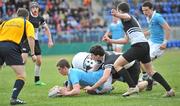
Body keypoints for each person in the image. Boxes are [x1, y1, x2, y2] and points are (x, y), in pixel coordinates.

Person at [104, 2, 174, 97]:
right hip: (145, 45)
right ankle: (169, 90)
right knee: (150, 72)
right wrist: (110, 40)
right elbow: (125, 40)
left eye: (118, 12)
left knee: (117, 64)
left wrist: (116, 14)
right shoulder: (129, 22)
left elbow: (126, 15)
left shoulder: (127, 17)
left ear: (119, 10)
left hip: (138, 46)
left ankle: (132, 87)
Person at [84, 45, 153, 96]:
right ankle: (108, 88)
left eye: (92, 55)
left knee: (135, 88)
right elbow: (93, 69)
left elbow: (104, 78)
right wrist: (83, 75)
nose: (90, 57)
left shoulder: (108, 61)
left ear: (98, 56)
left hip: (132, 68)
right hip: (121, 68)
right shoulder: (103, 55)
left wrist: (91, 88)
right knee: (109, 76)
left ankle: (148, 82)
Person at [0, 8, 36, 105]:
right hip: (11, 47)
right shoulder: (27, 23)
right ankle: (14, 98)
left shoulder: (6, 22)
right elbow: (31, 38)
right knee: (21, 75)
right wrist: (32, 54)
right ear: (27, 17)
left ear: (17, 15)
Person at [21, 2, 54, 86]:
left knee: (39, 61)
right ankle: (20, 79)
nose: (34, 9)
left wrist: (50, 40)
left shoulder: (40, 18)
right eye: (33, 7)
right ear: (30, 9)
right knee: (23, 60)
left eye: (36, 7)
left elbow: (46, 28)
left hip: (35, 41)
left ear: (38, 8)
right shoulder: (27, 17)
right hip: (26, 40)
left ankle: (37, 81)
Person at [48, 58, 113, 97]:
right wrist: (58, 90)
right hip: (101, 76)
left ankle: (108, 88)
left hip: (105, 75)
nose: (59, 71)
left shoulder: (73, 74)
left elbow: (76, 91)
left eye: (59, 69)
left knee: (95, 91)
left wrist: (66, 94)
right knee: (91, 90)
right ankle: (107, 88)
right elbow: (69, 89)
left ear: (65, 68)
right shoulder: (70, 73)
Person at [140, 1, 171, 80]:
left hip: (158, 45)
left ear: (152, 9)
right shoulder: (148, 17)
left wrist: (165, 43)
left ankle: (147, 78)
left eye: (146, 10)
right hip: (150, 41)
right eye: (143, 10)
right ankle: (149, 78)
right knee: (140, 58)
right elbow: (152, 30)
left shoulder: (157, 17)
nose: (144, 12)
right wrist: (143, 34)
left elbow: (168, 28)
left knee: (145, 62)